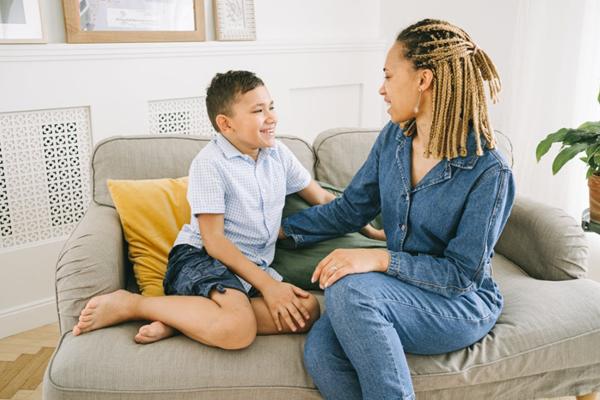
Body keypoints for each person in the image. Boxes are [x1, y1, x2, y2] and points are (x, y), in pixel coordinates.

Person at [279, 19, 516, 399]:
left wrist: (380, 261)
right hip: (397, 289)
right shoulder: (394, 138)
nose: (381, 89)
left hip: (460, 303)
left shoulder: (489, 171)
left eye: (389, 76)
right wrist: (284, 231)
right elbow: (350, 210)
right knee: (322, 353)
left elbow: (461, 276)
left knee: (350, 291)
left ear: (423, 80)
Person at [72, 70, 382, 348]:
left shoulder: (278, 154)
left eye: (271, 107)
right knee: (238, 330)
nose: (271, 117)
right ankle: (134, 304)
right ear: (226, 123)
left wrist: (365, 227)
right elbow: (214, 241)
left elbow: (326, 201)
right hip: (202, 259)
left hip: (251, 267)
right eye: (258, 111)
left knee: (307, 311)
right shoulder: (210, 164)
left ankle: (185, 320)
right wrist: (270, 287)